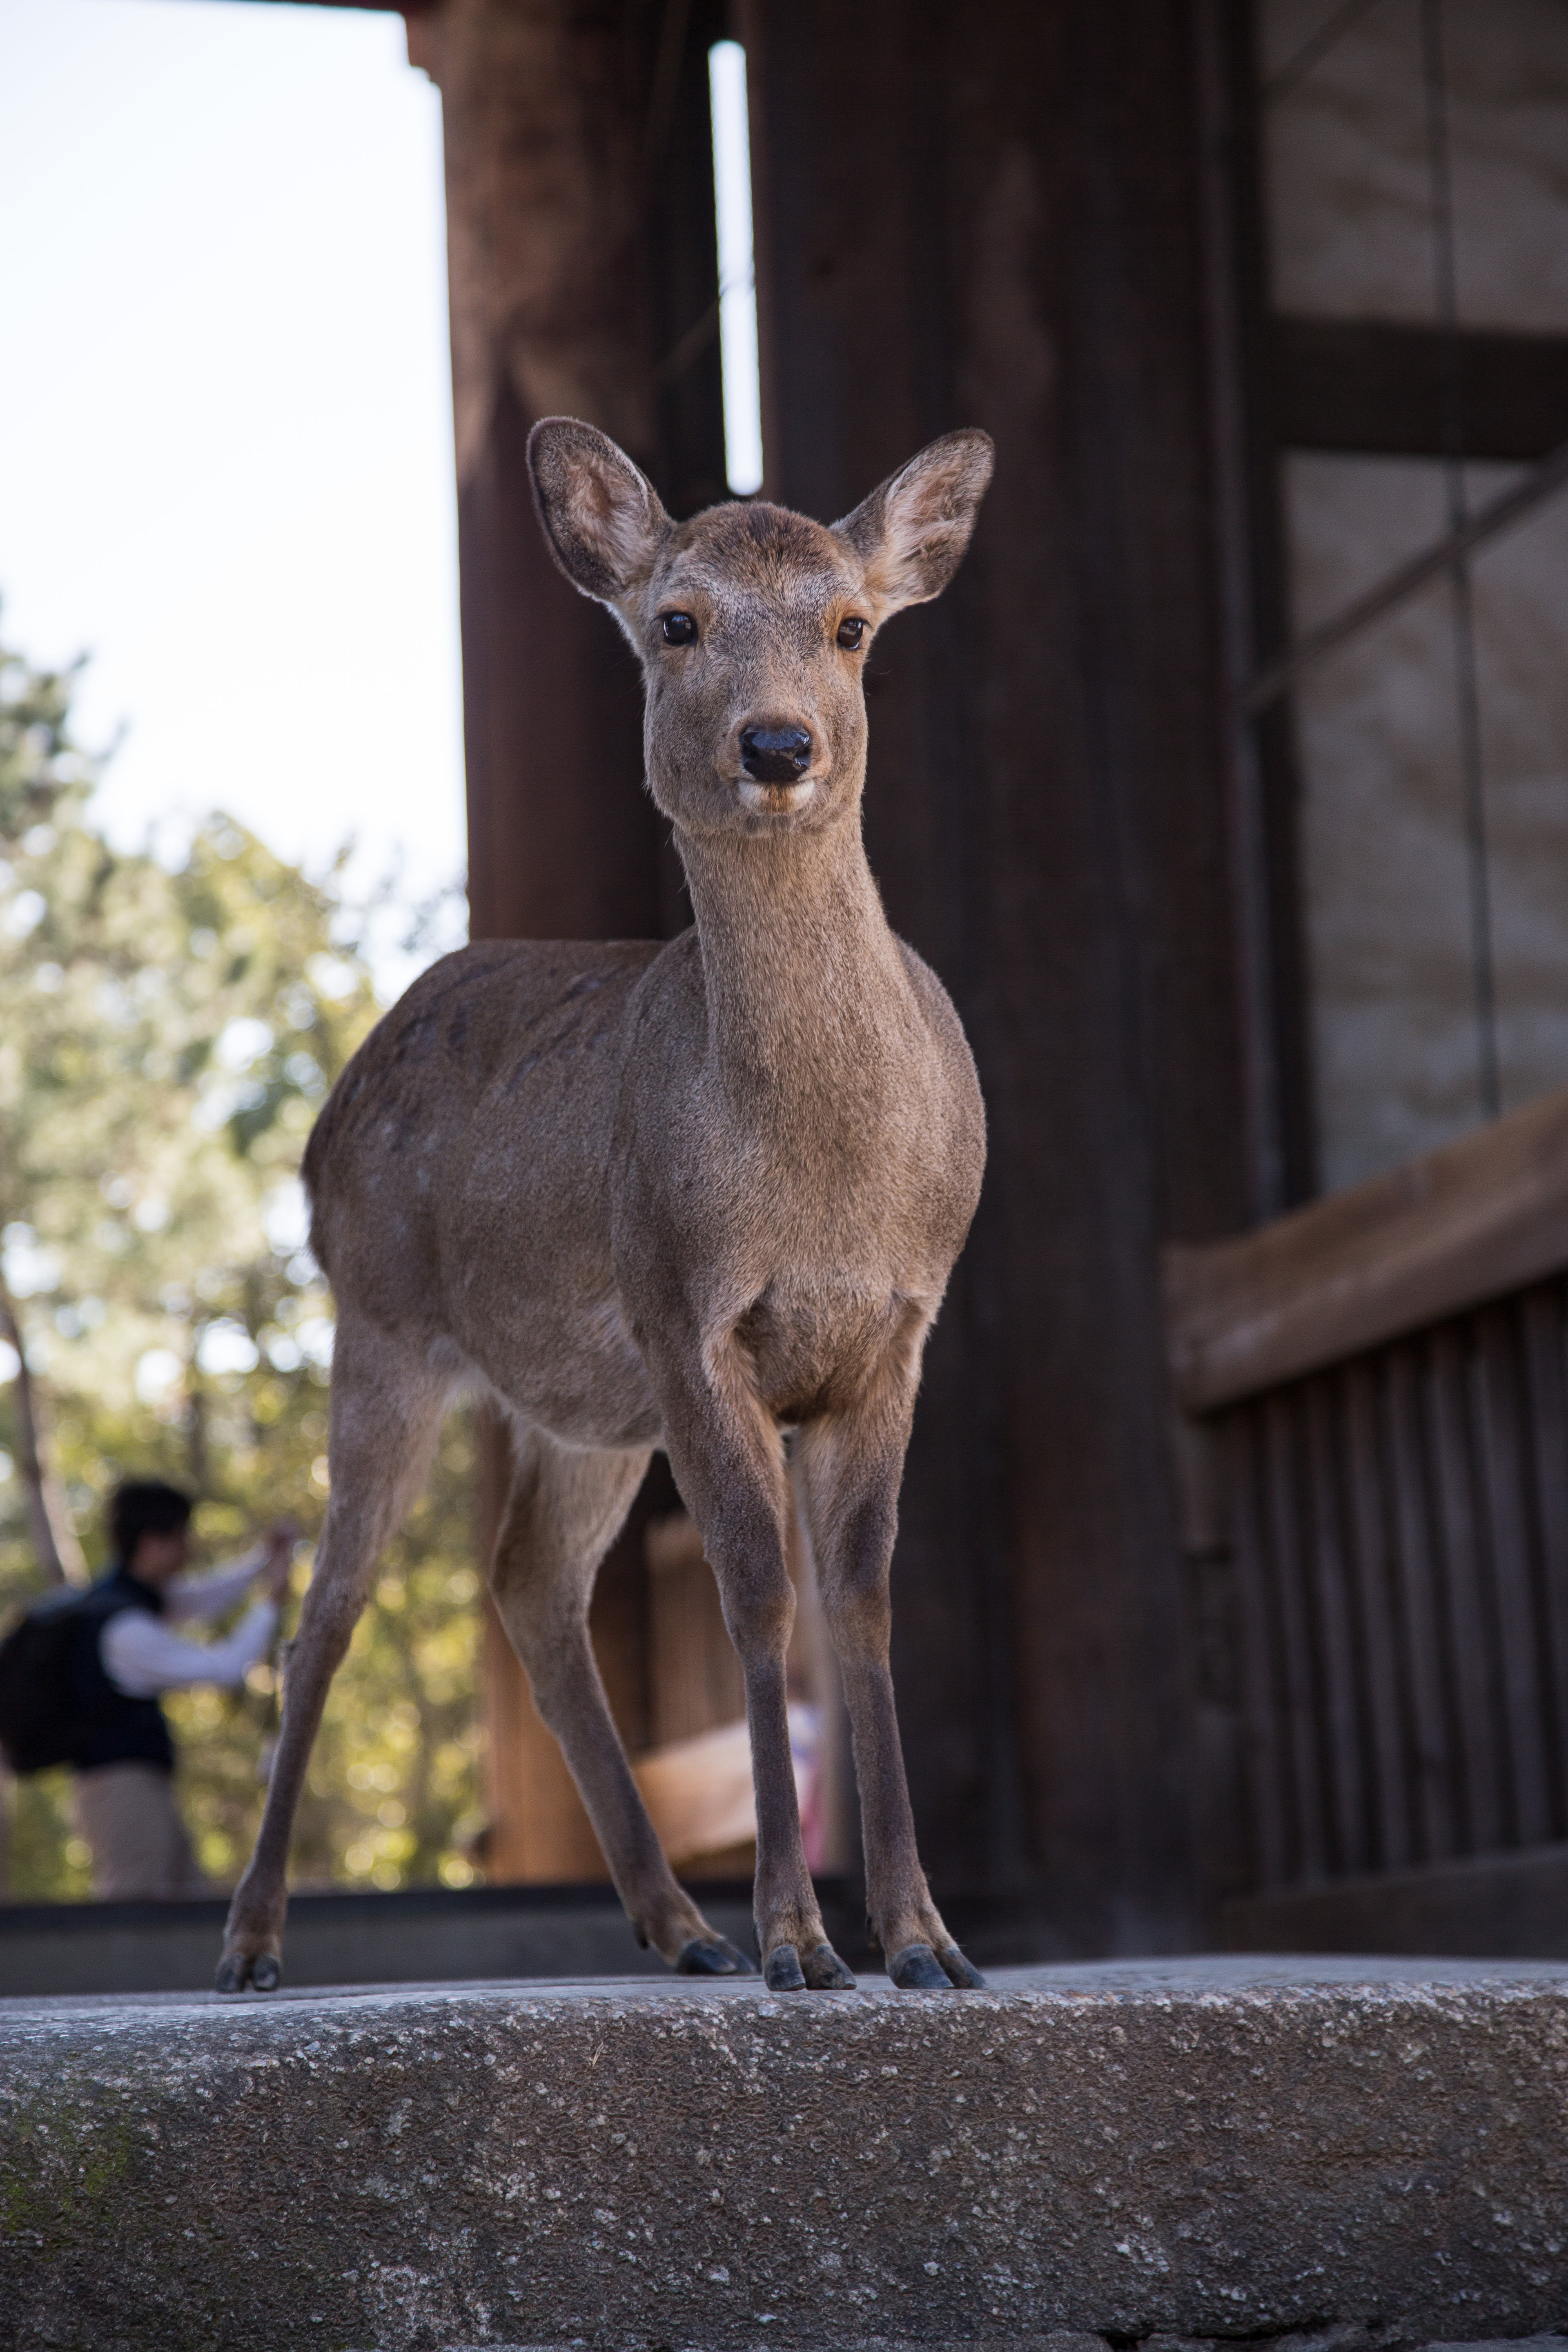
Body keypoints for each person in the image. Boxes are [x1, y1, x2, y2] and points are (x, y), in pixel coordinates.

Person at [69, 1479, 293, 1900]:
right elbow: (225, 1668)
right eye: (181, 1538)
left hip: (143, 1785)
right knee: (133, 1909)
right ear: (152, 1544)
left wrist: (262, 1561)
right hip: (121, 1790)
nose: (188, 1551)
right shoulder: (124, 1629)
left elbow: (202, 1598)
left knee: (187, 1899)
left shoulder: (128, 1601)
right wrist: (271, 1602)